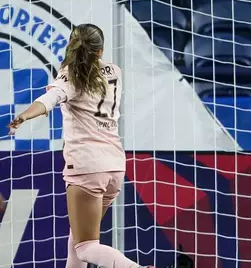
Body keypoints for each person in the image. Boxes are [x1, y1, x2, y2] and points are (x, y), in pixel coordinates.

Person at [8, 24, 152, 268]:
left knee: (86, 247)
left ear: (72, 46)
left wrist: (24, 115)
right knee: (77, 240)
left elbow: (48, 100)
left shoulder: (71, 74)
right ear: (100, 50)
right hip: (115, 166)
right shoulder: (115, 71)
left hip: (86, 166)